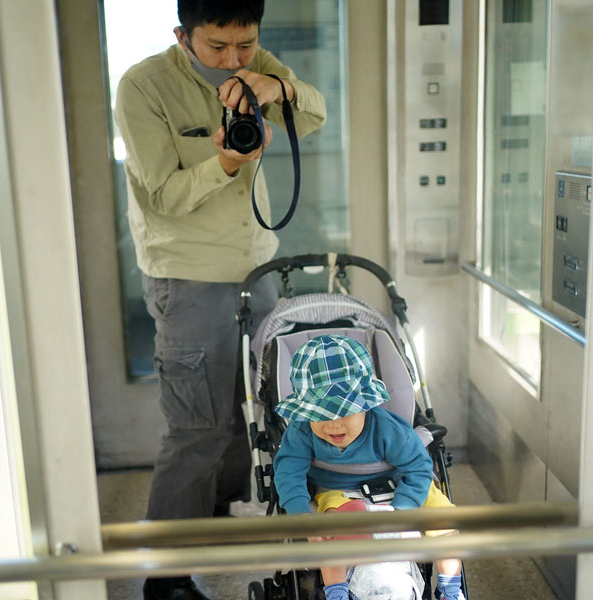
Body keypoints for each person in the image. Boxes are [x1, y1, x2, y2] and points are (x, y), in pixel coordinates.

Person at [114, 1, 326, 598]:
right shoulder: (143, 87)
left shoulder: (257, 64)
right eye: (217, 46)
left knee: (250, 415)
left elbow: (314, 117)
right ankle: (167, 578)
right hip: (189, 277)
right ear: (183, 36)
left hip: (256, 269)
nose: (233, 58)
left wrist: (281, 87)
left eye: (245, 44)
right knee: (198, 429)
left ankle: (214, 521)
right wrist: (226, 162)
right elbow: (163, 195)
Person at [273, 334, 465, 600]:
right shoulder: (300, 432)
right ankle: (336, 592)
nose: (333, 425)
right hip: (339, 492)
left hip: (400, 483)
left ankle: (450, 589)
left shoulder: (388, 428)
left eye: (344, 412)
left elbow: (419, 469)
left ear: (365, 405)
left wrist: (404, 509)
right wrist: (301, 515)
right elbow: (288, 473)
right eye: (320, 415)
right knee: (329, 534)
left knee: (446, 522)